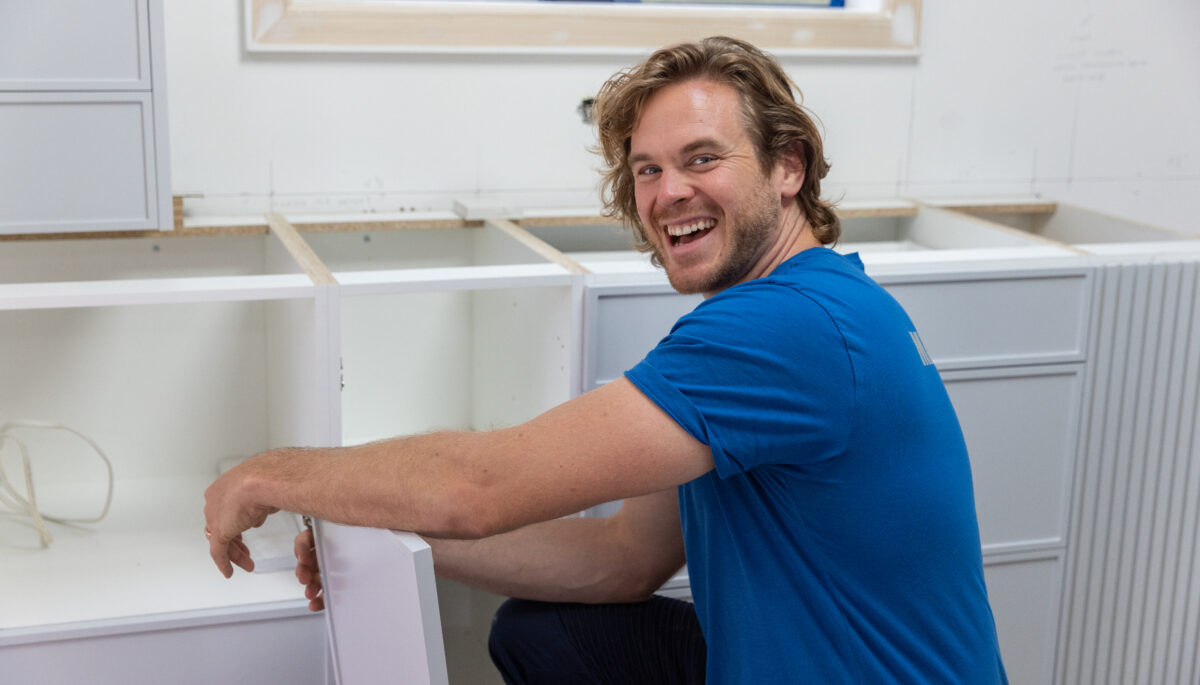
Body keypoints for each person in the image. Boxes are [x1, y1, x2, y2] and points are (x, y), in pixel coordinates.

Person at [205, 36, 1008, 684]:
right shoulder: (815, 302)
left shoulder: (786, 329)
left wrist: (270, 473)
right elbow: (624, 559)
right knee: (547, 632)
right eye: (648, 170)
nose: (668, 193)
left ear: (787, 166)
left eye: (701, 158)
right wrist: (383, 533)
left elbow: (477, 486)